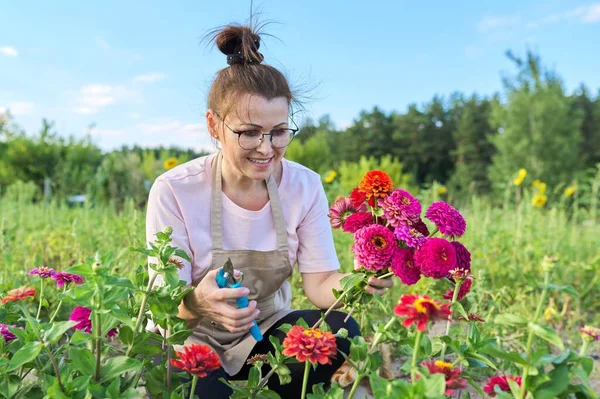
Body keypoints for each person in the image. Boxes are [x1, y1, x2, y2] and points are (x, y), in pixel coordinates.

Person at [145, 23, 393, 399]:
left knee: (342, 330)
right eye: (248, 132)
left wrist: (361, 280)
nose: (266, 148)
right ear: (214, 124)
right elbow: (167, 310)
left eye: (278, 131)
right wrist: (199, 301)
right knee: (199, 389)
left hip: (265, 335)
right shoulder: (174, 190)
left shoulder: (304, 185)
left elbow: (320, 285)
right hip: (187, 337)